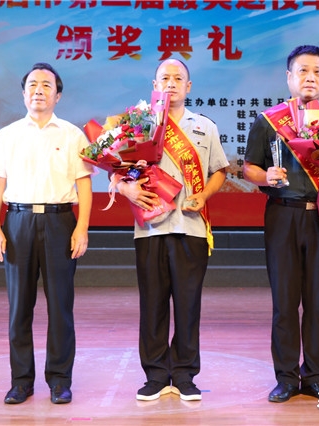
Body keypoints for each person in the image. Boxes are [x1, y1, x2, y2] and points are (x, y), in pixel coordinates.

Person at [115, 58, 228, 402]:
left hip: (191, 228)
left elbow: (220, 170)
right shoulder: (138, 125)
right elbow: (115, 168)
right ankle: (155, 375)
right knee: (152, 304)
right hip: (149, 228)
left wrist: (205, 194)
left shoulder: (204, 127)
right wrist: (126, 189)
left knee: (188, 305)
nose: (171, 83)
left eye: (179, 78)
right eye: (165, 77)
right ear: (154, 83)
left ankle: (184, 374)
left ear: (189, 86)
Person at [0, 62, 93, 405]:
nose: (39, 90)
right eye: (33, 84)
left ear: (58, 95)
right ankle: (21, 381)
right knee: (19, 308)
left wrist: (82, 229)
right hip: (17, 223)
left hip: (61, 223)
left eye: (47, 85)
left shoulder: (73, 135)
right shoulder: (8, 135)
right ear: (23, 93)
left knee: (61, 306)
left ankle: (60, 381)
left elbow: (84, 185)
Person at [243, 45, 319, 402]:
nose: (309, 77)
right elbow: (248, 168)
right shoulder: (269, 121)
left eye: (316, 71)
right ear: (289, 77)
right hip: (282, 214)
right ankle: (285, 377)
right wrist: (265, 175)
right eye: (302, 70)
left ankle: (314, 376)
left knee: (318, 302)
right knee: (284, 302)